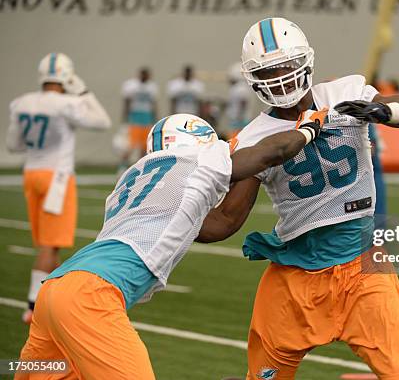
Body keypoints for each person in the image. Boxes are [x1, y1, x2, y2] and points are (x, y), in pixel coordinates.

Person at [199, 17, 399, 380]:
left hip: (362, 266)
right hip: (295, 276)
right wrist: (166, 217)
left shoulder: (344, 93)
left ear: (306, 62)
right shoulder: (252, 139)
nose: (280, 76)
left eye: (287, 65)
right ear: (254, 79)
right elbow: (225, 221)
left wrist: (385, 111)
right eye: (269, 70)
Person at [15, 111, 326, 380]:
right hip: (91, 297)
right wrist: (308, 128)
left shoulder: (133, 177)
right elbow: (273, 152)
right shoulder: (199, 158)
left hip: (54, 291)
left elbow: (215, 225)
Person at [6, 52, 111, 324]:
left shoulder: (22, 103)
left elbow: (13, 146)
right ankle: (33, 305)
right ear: (67, 76)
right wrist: (84, 91)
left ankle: (48, 296)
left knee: (48, 244)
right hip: (57, 177)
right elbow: (102, 121)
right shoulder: (66, 103)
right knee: (51, 245)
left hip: (31, 173)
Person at [120, 67, 158, 170]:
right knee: (130, 145)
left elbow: (154, 104)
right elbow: (126, 102)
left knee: (144, 146)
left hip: (147, 118)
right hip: (135, 117)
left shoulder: (152, 86)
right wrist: (125, 118)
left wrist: (155, 119)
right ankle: (122, 166)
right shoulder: (131, 85)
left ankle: (141, 167)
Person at [225, 62, 252, 138]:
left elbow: (243, 103)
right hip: (237, 120)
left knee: (236, 141)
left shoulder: (240, 88)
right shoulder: (241, 87)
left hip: (239, 121)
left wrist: (239, 118)